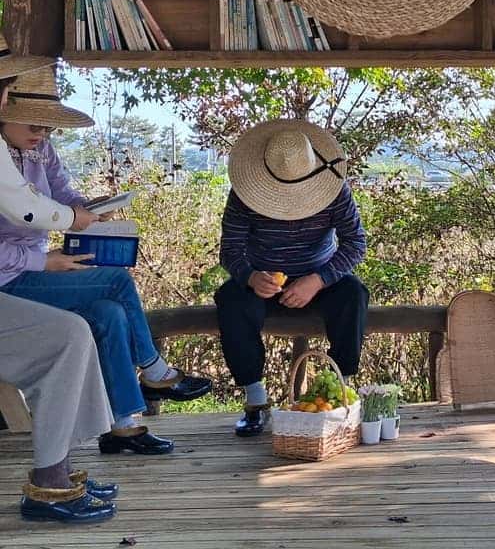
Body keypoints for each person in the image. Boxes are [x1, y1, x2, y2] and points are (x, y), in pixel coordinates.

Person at [0, 66, 212, 456]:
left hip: (33, 267)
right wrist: (42, 262)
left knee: (110, 312)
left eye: (49, 128)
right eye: (35, 123)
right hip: (10, 278)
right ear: (4, 108)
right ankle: (154, 370)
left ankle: (123, 425)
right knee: (117, 281)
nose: (41, 133)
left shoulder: (39, 149)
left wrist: (90, 210)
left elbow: (63, 191)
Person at [0, 38, 115, 522]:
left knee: (79, 329)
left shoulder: (31, 152)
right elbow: (29, 208)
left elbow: (56, 197)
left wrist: (80, 211)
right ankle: (51, 481)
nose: (41, 129)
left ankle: (59, 471)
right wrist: (71, 220)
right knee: (72, 331)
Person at [215, 120, 368, 436]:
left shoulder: (335, 188)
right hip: (263, 281)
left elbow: (355, 242)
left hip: (319, 278)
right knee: (230, 299)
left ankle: (340, 390)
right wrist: (251, 276)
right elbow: (230, 249)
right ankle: (256, 400)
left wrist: (318, 280)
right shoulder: (244, 193)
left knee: (354, 293)